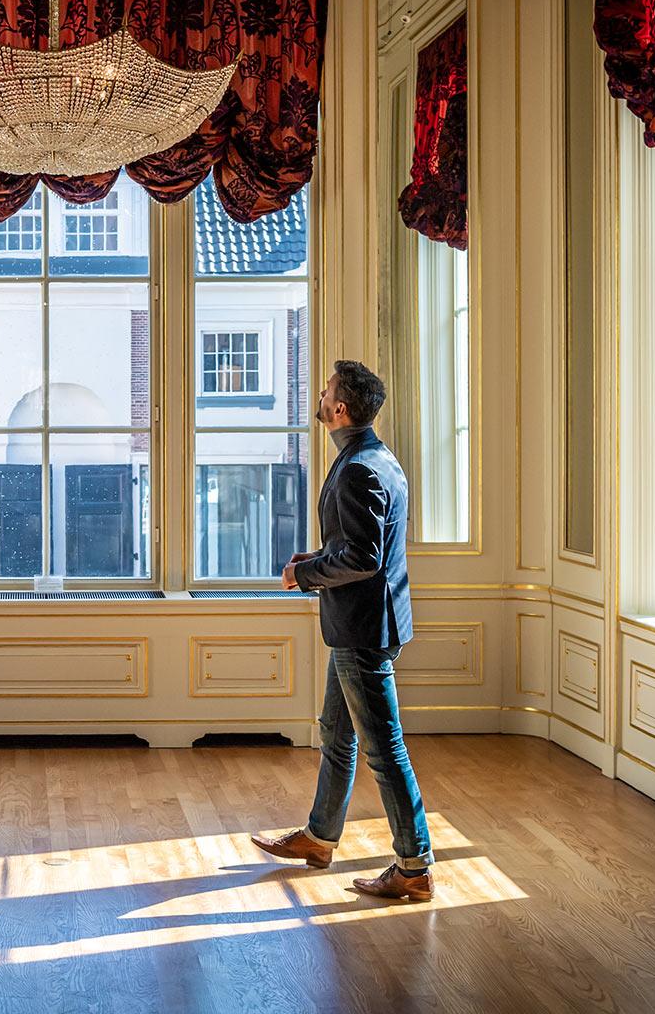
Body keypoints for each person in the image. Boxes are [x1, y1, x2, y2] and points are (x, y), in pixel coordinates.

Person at [250, 359, 436, 901]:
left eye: (326, 390)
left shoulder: (359, 467)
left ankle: (414, 865)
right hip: (358, 627)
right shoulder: (374, 458)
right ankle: (319, 837)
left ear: (340, 408)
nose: (320, 394)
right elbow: (359, 544)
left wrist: (302, 574)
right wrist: (319, 554)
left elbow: (364, 557)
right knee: (337, 735)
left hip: (361, 631)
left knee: (384, 751)